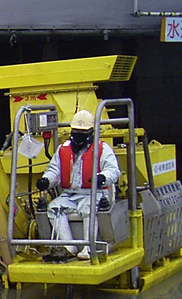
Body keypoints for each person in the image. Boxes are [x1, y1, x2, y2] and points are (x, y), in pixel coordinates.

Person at [36, 109, 120, 260]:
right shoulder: (63, 149)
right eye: (76, 131)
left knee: (89, 207)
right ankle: (69, 246)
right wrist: (46, 179)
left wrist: (102, 177)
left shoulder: (102, 148)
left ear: (91, 131)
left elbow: (113, 170)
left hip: (95, 193)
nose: (78, 135)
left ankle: (88, 247)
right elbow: (54, 170)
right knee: (54, 208)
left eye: (83, 131)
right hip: (70, 194)